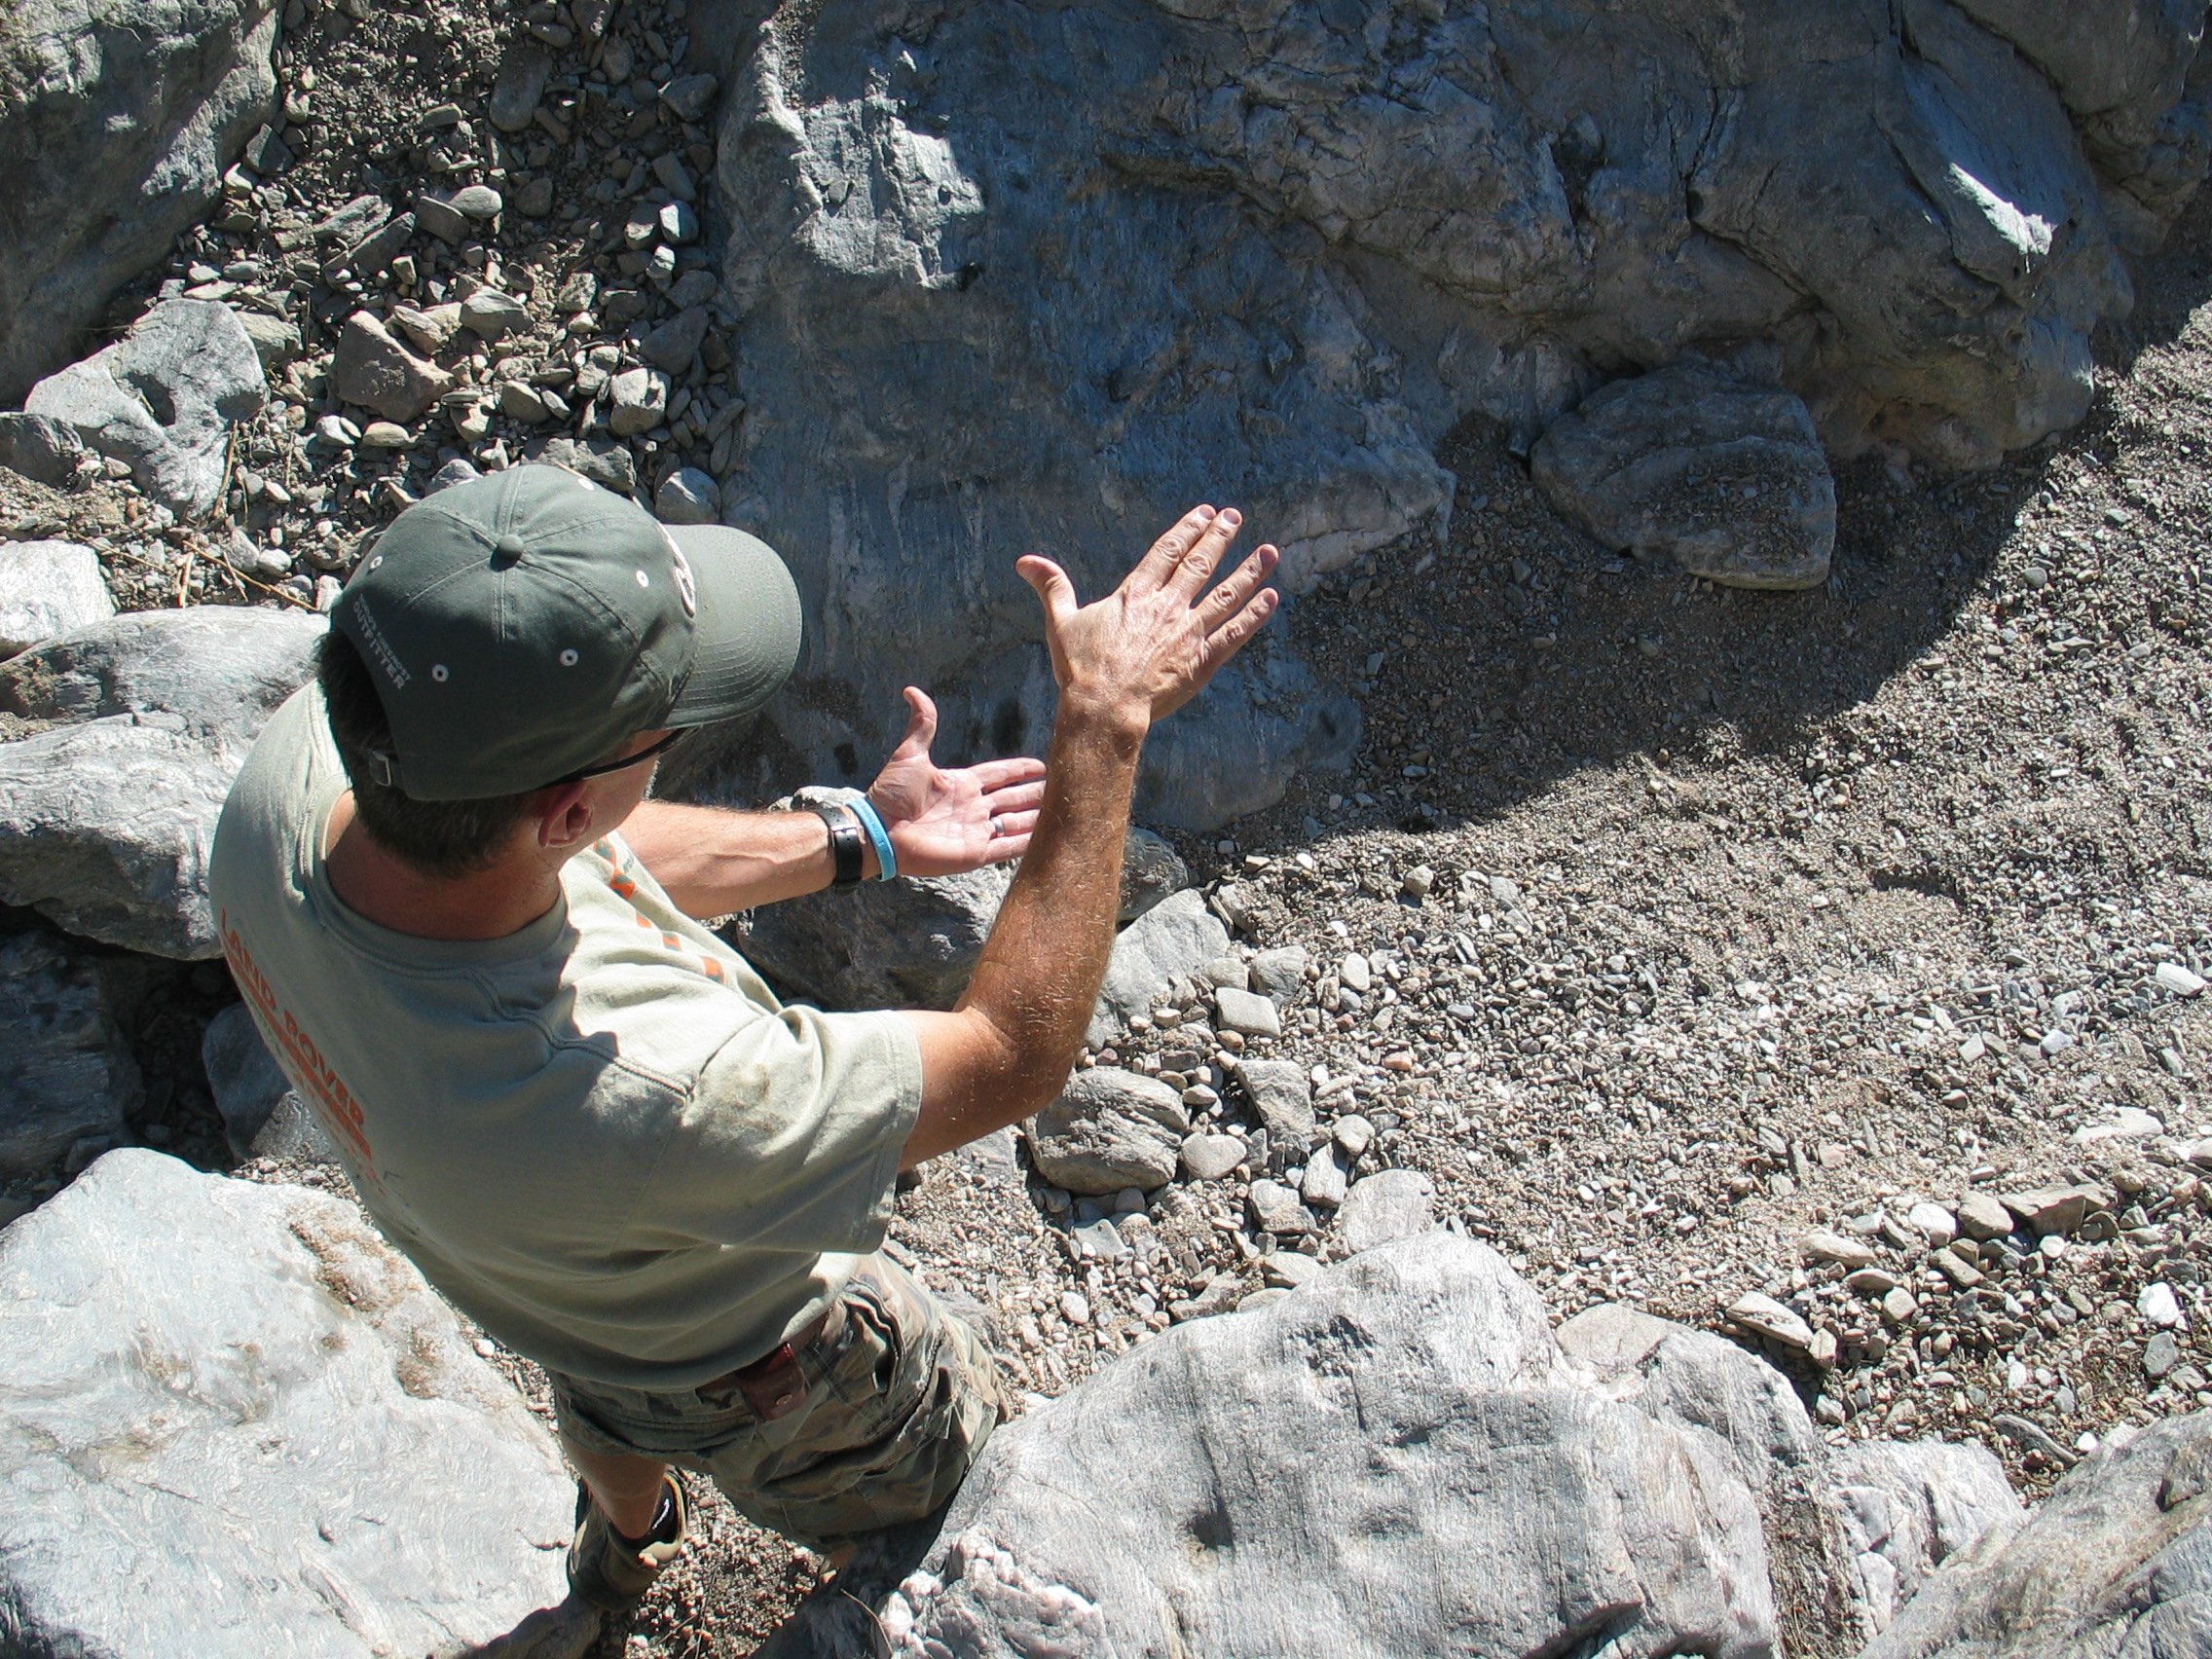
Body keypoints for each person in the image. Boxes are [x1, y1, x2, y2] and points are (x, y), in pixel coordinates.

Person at [206, 461, 1279, 1618]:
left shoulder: (296, 776)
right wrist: (1103, 724)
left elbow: (571, 853)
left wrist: (856, 836)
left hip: (552, 1294)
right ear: (568, 807)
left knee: (604, 1399)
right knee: (959, 1495)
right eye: (663, 727)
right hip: (757, 1364)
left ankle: (622, 1553)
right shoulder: (657, 1087)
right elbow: (1009, 1056)